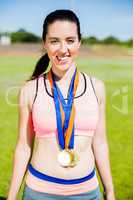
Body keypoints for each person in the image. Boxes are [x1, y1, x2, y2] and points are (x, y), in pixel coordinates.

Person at [7, 9, 115, 200]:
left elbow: (100, 142)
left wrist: (110, 191)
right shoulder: (30, 90)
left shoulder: (97, 87)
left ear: (79, 42)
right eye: (54, 40)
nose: (63, 49)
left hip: (88, 193)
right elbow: (24, 147)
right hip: (39, 192)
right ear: (45, 43)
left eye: (70, 40)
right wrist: (11, 196)